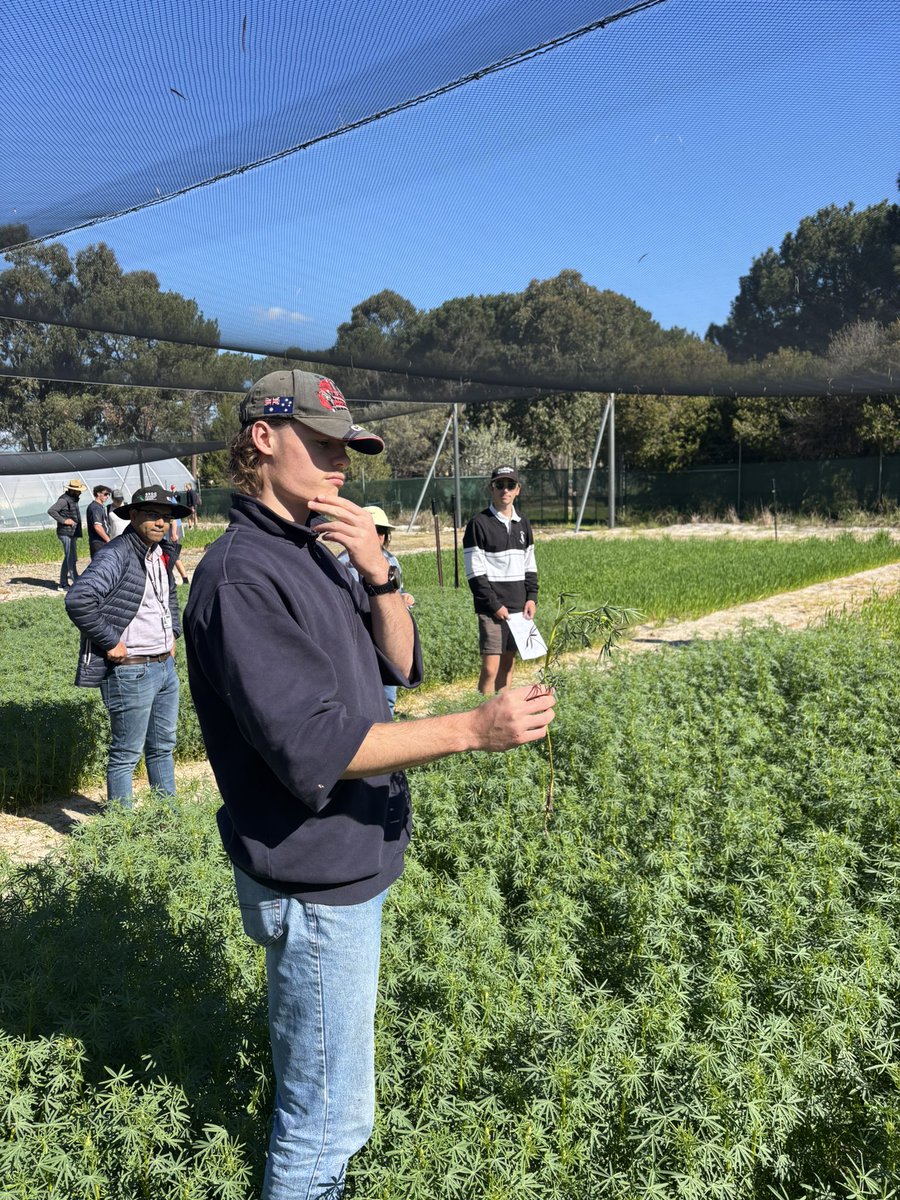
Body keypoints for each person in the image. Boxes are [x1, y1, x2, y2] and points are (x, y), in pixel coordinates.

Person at [182, 369, 554, 1200]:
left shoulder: (317, 547)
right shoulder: (243, 577)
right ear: (262, 439)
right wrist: (474, 729)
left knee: (329, 1094)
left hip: (348, 857)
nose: (340, 465)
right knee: (327, 1124)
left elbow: (400, 662)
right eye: (320, 444)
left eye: (347, 449)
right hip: (314, 877)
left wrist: (378, 568)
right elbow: (314, 743)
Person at [65, 485, 192, 809]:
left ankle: (167, 818)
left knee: (163, 747)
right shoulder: (117, 553)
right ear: (133, 515)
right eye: (152, 514)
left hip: (164, 666)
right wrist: (111, 642)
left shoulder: (160, 552)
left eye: (165, 517)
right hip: (131, 670)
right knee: (126, 754)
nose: (160, 522)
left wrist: (172, 634)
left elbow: (169, 596)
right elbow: (79, 599)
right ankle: (122, 828)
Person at [463, 465, 538, 695]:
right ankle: (482, 715)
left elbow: (530, 564)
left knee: (508, 666)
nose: (505, 490)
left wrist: (531, 598)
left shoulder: (523, 524)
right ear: (491, 489)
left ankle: (501, 717)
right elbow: (475, 573)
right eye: (499, 485)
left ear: (518, 490)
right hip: (491, 610)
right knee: (490, 668)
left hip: (518, 610)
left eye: (510, 485)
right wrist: (495, 605)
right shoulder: (478, 524)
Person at [337, 504, 415, 716]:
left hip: (387, 634)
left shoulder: (391, 560)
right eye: (370, 530)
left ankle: (385, 725)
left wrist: (403, 599)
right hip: (361, 634)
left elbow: (396, 594)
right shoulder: (344, 562)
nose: (376, 536)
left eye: (380, 531)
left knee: (388, 691)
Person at [48, 478, 86, 590]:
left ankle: (63, 584)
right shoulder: (64, 500)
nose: (80, 492)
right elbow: (51, 510)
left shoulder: (72, 499)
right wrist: (64, 521)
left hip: (71, 532)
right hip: (65, 533)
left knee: (69, 557)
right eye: (78, 490)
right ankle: (76, 581)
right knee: (71, 557)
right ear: (72, 490)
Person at [167, 485, 190, 585]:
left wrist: (173, 534)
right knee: (172, 556)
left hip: (173, 530)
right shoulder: (170, 498)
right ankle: (174, 579)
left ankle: (184, 579)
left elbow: (173, 520)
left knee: (173, 556)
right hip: (174, 529)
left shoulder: (167, 500)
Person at [86, 483, 113, 557]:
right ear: (98, 494)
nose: (107, 496)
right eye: (105, 494)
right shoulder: (95, 508)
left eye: (108, 495)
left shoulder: (100, 507)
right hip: (98, 542)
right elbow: (97, 526)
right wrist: (108, 540)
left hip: (101, 541)